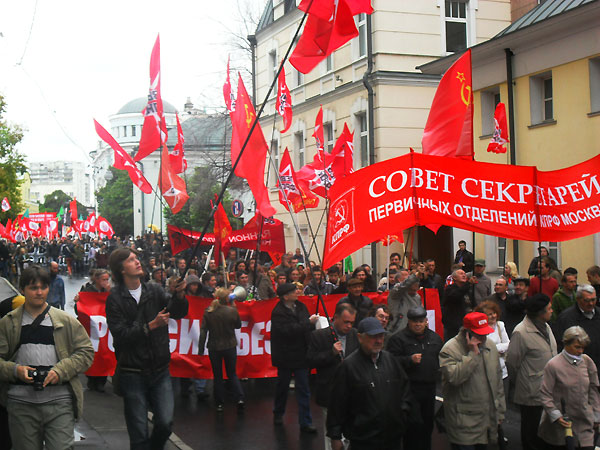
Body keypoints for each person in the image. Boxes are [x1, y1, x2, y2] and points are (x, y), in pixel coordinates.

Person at [0, 265, 94, 450]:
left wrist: (60, 371)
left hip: (59, 403)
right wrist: (15, 370)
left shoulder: (65, 321)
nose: (39, 292)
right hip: (21, 405)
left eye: (43, 287)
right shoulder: (8, 322)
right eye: (33, 288)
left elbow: (86, 352)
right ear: (22, 290)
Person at [105, 248, 188, 449]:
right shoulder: (115, 298)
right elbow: (122, 336)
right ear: (121, 269)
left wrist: (179, 294)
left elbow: (177, 312)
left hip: (160, 370)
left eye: (136, 258)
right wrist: (151, 326)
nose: (137, 261)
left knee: (165, 423)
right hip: (132, 373)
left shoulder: (154, 290)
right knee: (139, 432)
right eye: (131, 259)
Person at [327, 317, 412, 450]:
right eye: (373, 337)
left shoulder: (391, 360)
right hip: (363, 440)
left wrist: (403, 414)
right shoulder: (348, 367)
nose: (378, 340)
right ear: (360, 337)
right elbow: (337, 404)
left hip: (392, 438)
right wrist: (335, 436)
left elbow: (405, 390)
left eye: (381, 336)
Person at [439, 311, 505, 450]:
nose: (484, 337)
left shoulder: (490, 346)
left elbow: (497, 381)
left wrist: (500, 411)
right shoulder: (450, 350)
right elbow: (454, 378)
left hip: (486, 419)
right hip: (463, 422)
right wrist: (472, 355)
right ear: (467, 333)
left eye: (485, 333)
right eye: (479, 334)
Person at [387, 306, 442, 450]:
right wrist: (408, 360)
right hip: (409, 390)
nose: (418, 324)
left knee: (427, 425)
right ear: (409, 322)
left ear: (426, 321)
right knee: (412, 427)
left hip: (429, 389)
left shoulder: (435, 338)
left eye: (421, 321)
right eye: (414, 321)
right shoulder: (398, 339)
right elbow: (390, 362)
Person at [506, 293, 557, 450]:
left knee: (545, 432)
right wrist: (524, 380)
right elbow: (512, 362)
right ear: (540, 313)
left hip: (549, 388)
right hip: (531, 390)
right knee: (531, 431)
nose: (552, 311)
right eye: (549, 309)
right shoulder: (521, 332)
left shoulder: (546, 326)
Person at [538, 326, 600, 450]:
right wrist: (556, 415)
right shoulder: (553, 365)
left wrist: (596, 414)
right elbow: (545, 394)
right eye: (577, 347)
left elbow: (594, 389)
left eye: (583, 347)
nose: (580, 351)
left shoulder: (587, 362)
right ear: (566, 343)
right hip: (562, 425)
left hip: (584, 422)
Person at [307, 303, 359, 449]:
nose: (349, 326)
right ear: (335, 318)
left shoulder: (356, 334)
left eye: (351, 322)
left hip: (352, 393)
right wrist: (331, 354)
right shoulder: (319, 336)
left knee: (351, 432)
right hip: (329, 392)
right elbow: (310, 360)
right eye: (346, 322)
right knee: (331, 434)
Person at [270, 283, 319, 433]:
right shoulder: (278, 312)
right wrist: (307, 323)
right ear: (285, 296)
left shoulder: (301, 306)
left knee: (303, 389)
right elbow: (288, 331)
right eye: (293, 291)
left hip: (301, 354)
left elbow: (304, 328)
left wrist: (312, 325)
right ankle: (278, 412)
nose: (297, 292)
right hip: (285, 356)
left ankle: (305, 421)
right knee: (282, 386)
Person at [199, 287, 244, 412]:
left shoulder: (208, 311)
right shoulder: (231, 311)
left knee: (218, 375)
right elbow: (238, 326)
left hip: (214, 347)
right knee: (232, 374)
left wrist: (201, 349)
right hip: (229, 346)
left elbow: (203, 331)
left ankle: (219, 403)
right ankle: (240, 398)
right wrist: (234, 307)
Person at [553, 284, 600, 370]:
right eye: (586, 300)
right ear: (578, 299)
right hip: (578, 368)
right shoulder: (566, 318)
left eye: (593, 300)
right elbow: (560, 345)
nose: (591, 303)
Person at [475, 301, 510, 404]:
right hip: (485, 371)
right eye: (489, 314)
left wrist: (492, 348)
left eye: (494, 313)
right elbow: (481, 347)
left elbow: (508, 344)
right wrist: (498, 348)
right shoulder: (478, 329)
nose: (493, 316)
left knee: (502, 401)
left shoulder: (500, 325)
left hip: (502, 370)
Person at [442, 269, 476, 341]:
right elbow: (457, 295)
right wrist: (468, 283)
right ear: (454, 277)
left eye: (464, 273)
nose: (464, 275)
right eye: (461, 274)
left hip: (467, 323)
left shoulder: (468, 289)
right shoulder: (450, 289)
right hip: (454, 325)